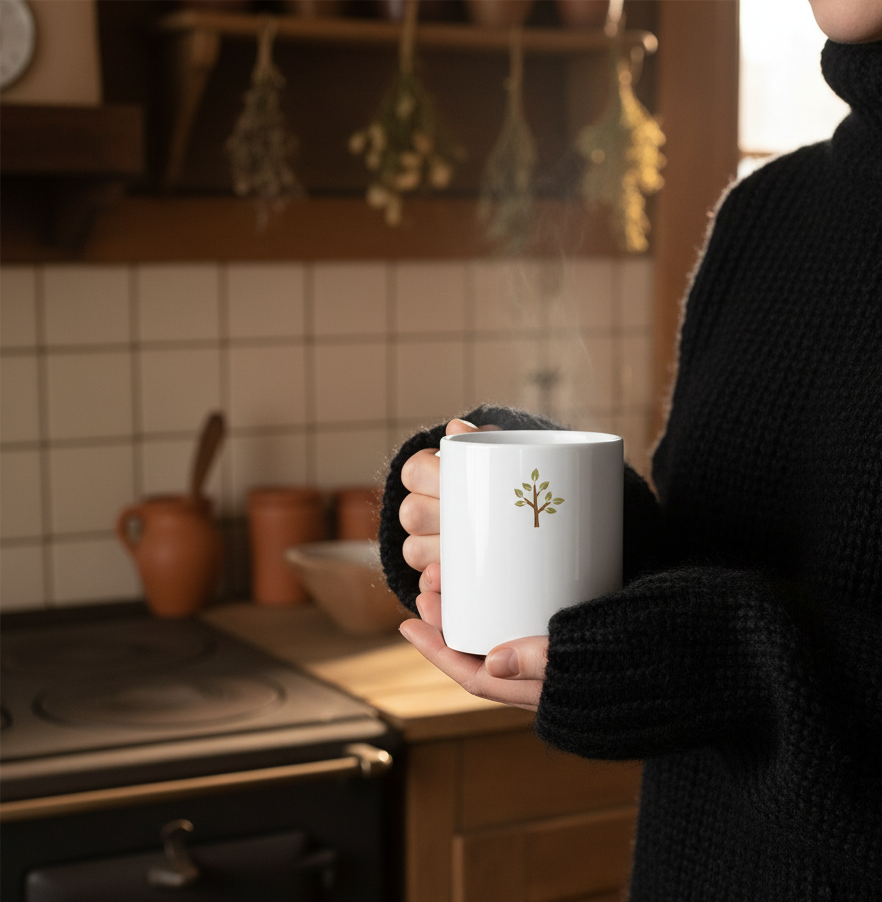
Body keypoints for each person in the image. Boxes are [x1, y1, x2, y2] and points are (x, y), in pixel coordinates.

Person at [377, 4, 882, 900]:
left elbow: (733, 636)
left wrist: (729, 661)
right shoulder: (766, 217)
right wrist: (537, 516)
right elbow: (724, 565)